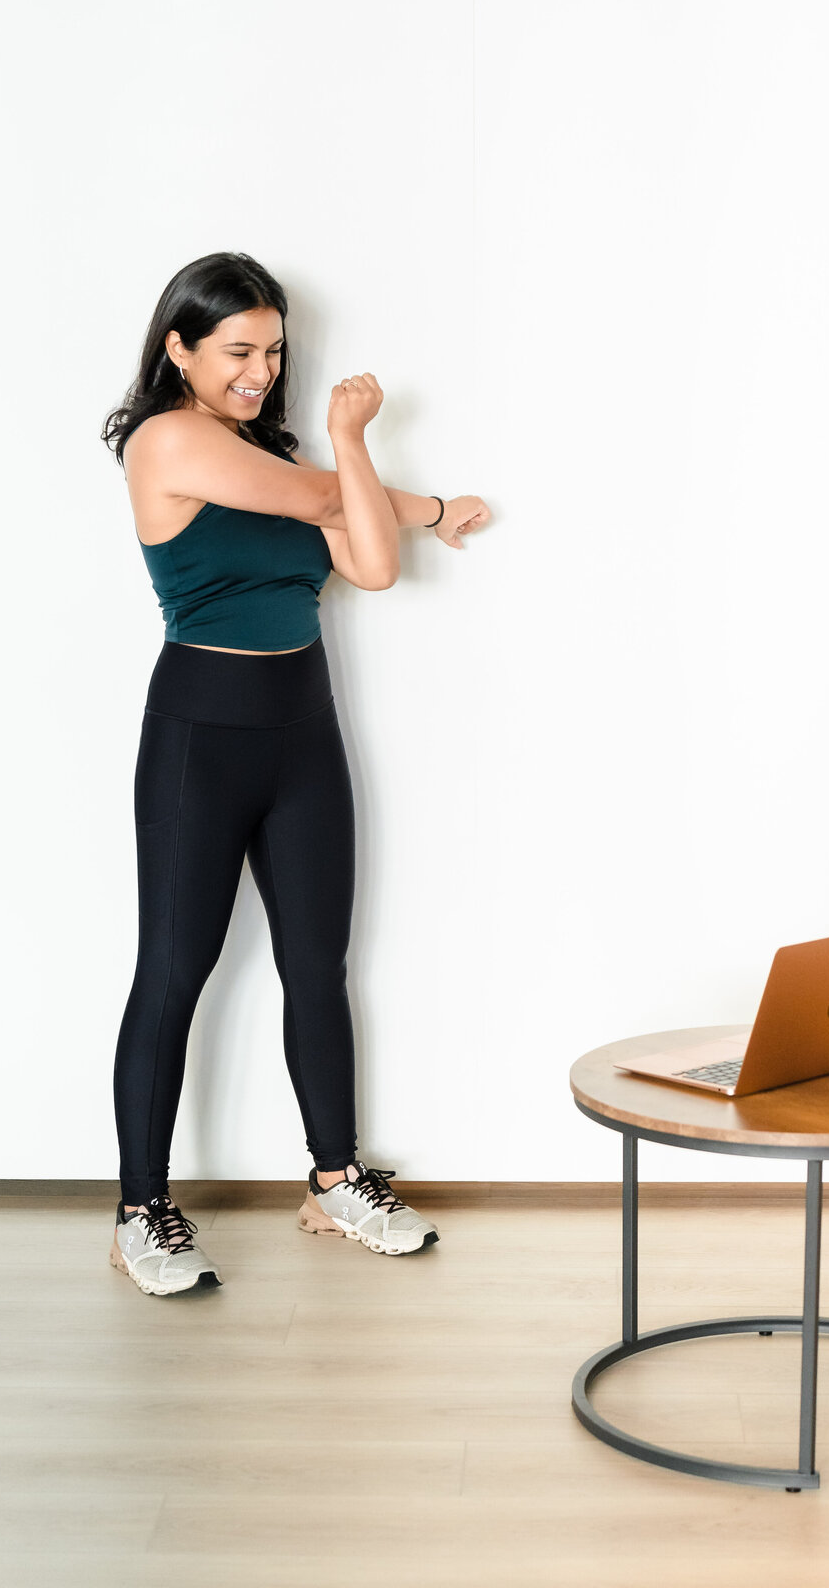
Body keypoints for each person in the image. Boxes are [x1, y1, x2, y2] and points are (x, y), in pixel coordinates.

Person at [99, 251, 491, 1297]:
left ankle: (335, 1180)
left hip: (304, 734)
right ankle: (144, 1210)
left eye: (273, 351)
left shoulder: (269, 453)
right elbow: (327, 495)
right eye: (237, 350)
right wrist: (412, 485)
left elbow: (366, 561)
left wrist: (400, 494)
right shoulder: (168, 439)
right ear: (178, 348)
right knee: (173, 973)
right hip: (201, 736)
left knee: (318, 968)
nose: (261, 371)